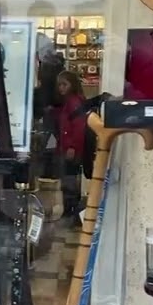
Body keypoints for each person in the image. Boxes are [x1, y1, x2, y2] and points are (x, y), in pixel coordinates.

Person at [54, 70, 86, 220]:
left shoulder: (74, 103)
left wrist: (72, 146)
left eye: (64, 84)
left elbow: (78, 127)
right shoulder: (69, 102)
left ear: (72, 85)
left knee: (70, 178)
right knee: (68, 177)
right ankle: (70, 208)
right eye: (59, 85)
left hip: (71, 148)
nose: (61, 88)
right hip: (67, 147)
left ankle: (71, 209)